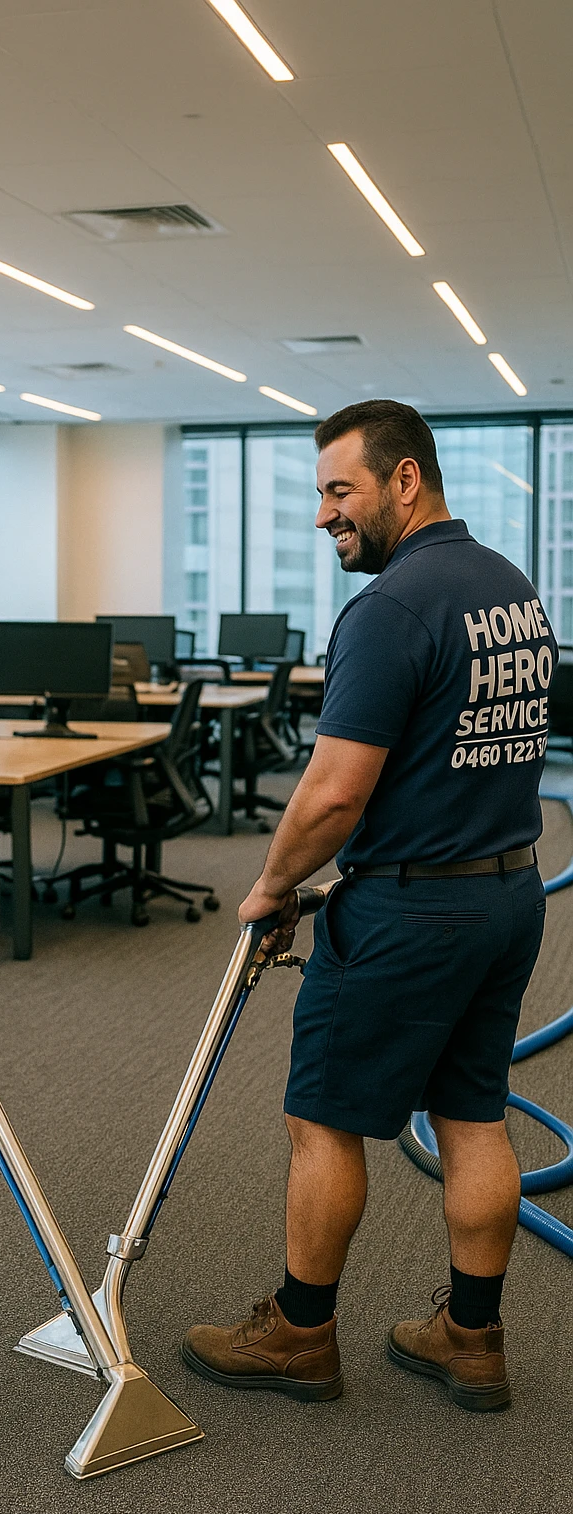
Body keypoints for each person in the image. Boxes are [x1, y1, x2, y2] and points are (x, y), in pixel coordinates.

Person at [182, 399, 555, 1413]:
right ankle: (470, 1338)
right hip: (503, 896)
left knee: (321, 1122)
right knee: (472, 1114)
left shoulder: (390, 609)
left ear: (403, 481)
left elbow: (336, 789)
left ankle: (299, 1334)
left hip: (406, 914)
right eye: (318, 495)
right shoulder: (509, 591)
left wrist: (270, 885)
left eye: (339, 493)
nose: (322, 517)